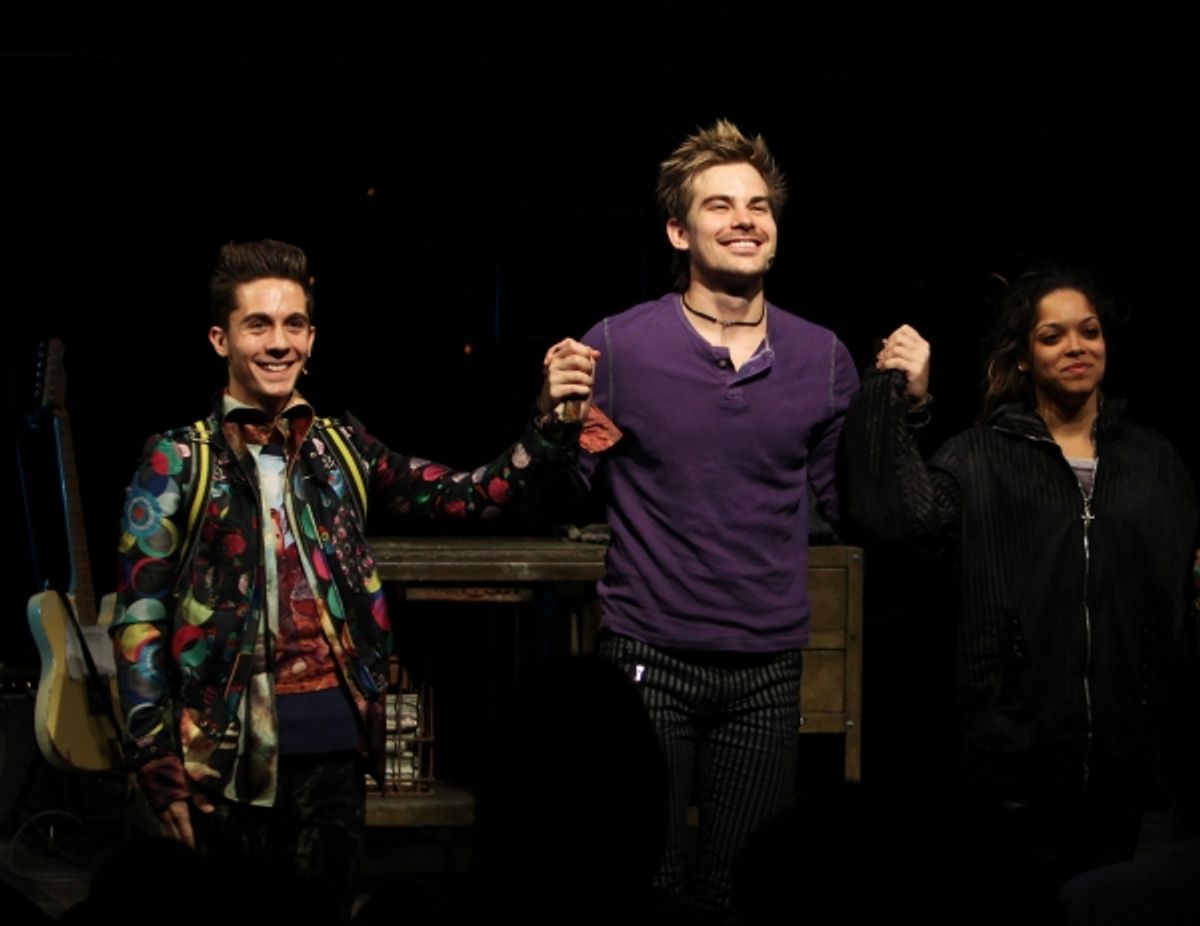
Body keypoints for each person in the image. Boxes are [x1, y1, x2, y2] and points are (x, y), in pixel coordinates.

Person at [109, 238, 597, 924]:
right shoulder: (178, 458)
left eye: (294, 324)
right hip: (221, 761)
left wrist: (547, 420)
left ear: (312, 337)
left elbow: (469, 495)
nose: (279, 343)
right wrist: (157, 769)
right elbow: (137, 621)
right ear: (221, 338)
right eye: (259, 325)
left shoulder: (341, 448)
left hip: (335, 750)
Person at [568, 119, 887, 923]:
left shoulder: (821, 359)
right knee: (645, 881)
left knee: (742, 885)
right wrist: (552, 413)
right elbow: (570, 485)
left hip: (767, 666)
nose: (744, 219)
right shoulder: (620, 348)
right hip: (649, 656)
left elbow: (849, 506)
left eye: (759, 205)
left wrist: (903, 413)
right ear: (679, 230)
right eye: (719, 205)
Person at [845, 263, 1199, 919]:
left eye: (1089, 332)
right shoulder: (981, 456)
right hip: (1018, 760)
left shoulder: (1155, 461)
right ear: (1025, 358)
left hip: (1133, 762)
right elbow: (895, 515)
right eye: (1053, 336)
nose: (1075, 347)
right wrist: (903, 399)